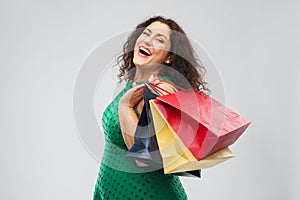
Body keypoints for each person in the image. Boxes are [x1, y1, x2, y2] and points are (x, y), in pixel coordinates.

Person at [93, 15, 209, 200]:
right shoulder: (133, 86)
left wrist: (125, 106)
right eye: (146, 34)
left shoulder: (162, 90)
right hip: (114, 191)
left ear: (169, 57)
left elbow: (143, 157)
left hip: (147, 193)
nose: (148, 41)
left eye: (159, 40)